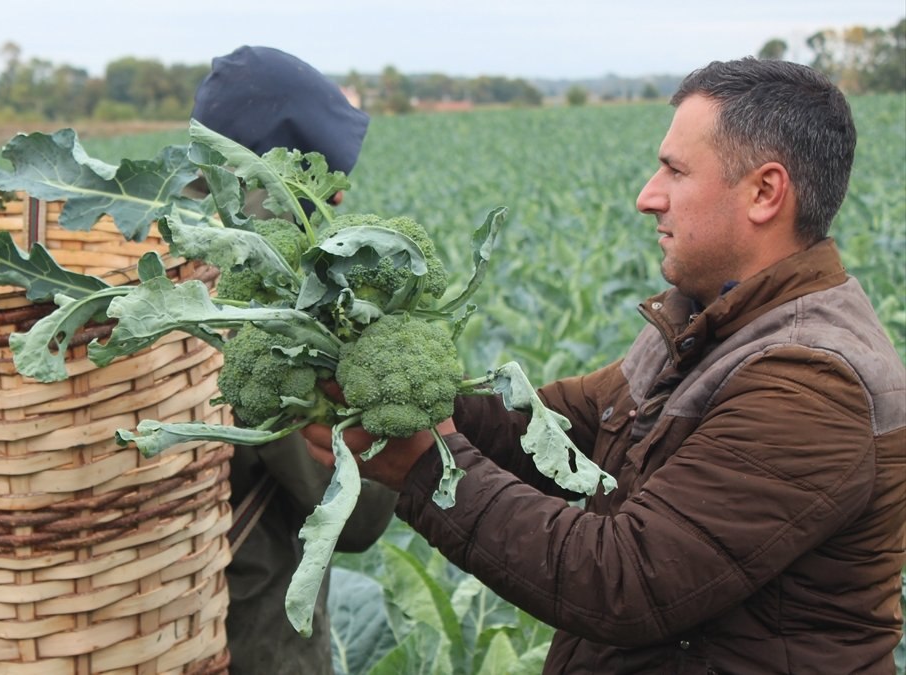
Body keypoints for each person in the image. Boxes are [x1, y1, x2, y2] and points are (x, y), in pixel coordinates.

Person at [303, 57, 906, 673]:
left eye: (674, 170)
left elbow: (627, 580)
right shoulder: (711, 320)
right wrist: (393, 387)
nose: (648, 196)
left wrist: (427, 468)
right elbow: (561, 427)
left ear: (764, 192)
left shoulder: (810, 383)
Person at [189, 45, 399, 675]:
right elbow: (357, 516)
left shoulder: (129, 266)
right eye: (324, 187)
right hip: (249, 645)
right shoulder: (262, 308)